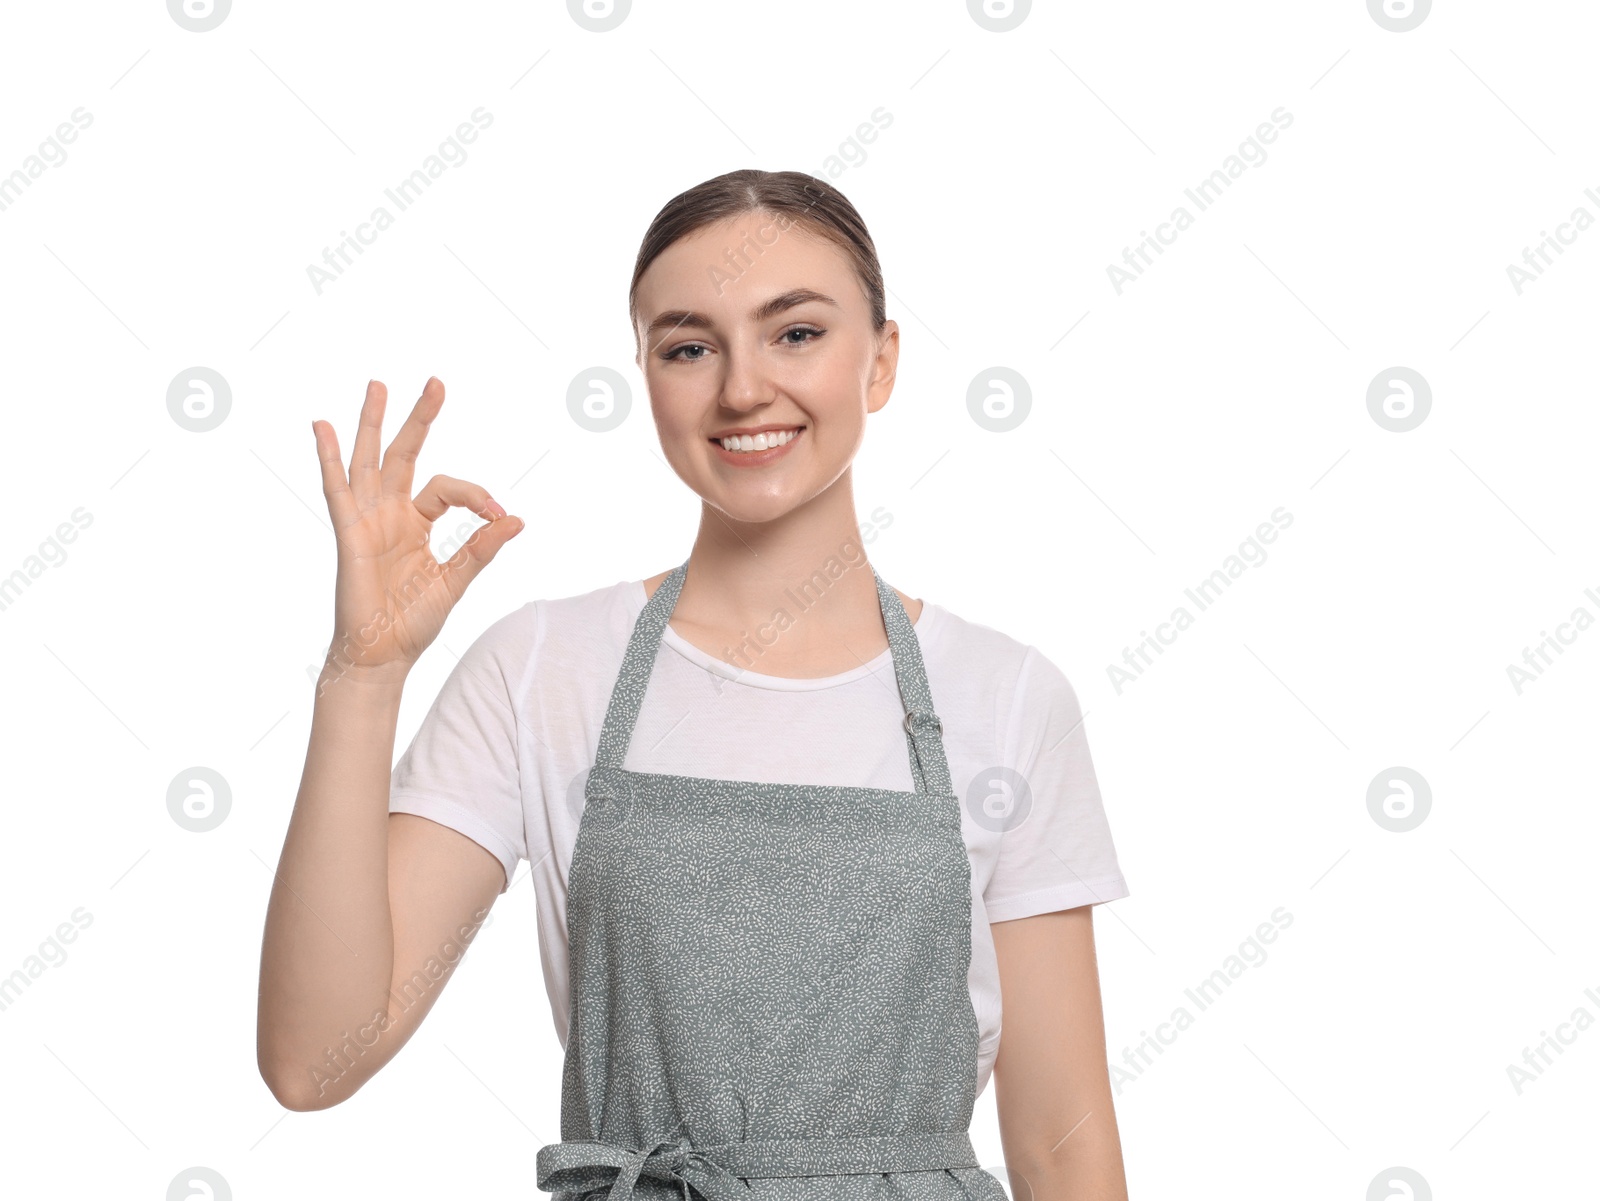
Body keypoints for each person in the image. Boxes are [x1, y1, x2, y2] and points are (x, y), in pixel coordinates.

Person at [258, 169, 1131, 1200]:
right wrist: (364, 676)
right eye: (688, 347)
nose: (743, 389)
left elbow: (1061, 1152)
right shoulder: (543, 668)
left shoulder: (1007, 696)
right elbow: (314, 1059)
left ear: (881, 361)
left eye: (796, 332)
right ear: (647, 374)